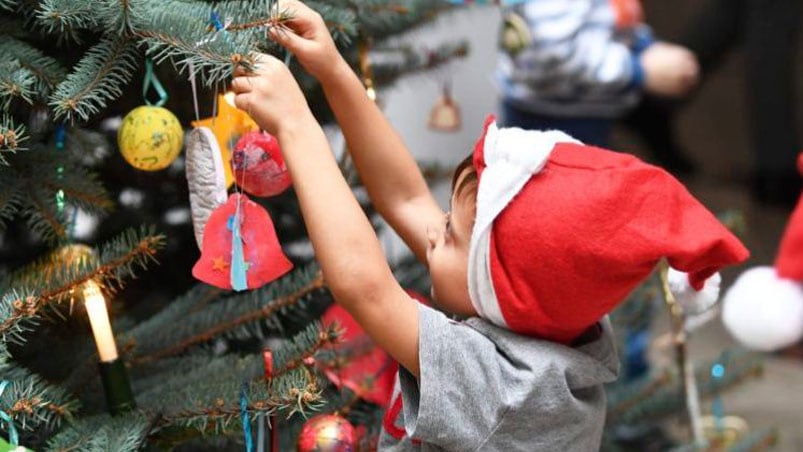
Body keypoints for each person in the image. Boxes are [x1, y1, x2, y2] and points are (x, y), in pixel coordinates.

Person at [231, 1, 749, 449]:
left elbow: (363, 285)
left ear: (505, 288)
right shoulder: (546, 312)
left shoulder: (511, 386)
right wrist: (335, 72)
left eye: (452, 234)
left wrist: (297, 126)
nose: (434, 232)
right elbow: (405, 196)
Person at [496, 0, 700, 147]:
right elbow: (553, 52)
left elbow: (608, 23)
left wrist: (646, 46)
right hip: (552, 123)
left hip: (583, 111)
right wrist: (637, 67)